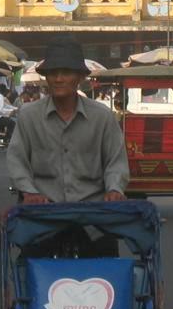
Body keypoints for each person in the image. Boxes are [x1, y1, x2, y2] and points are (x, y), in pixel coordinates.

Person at [7, 38, 129, 204]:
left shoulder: (102, 117)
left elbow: (116, 162)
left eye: (66, 73)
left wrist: (114, 189)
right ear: (46, 77)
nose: (58, 79)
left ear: (79, 77)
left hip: (93, 212)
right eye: (53, 73)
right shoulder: (29, 116)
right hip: (43, 209)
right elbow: (17, 161)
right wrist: (29, 192)